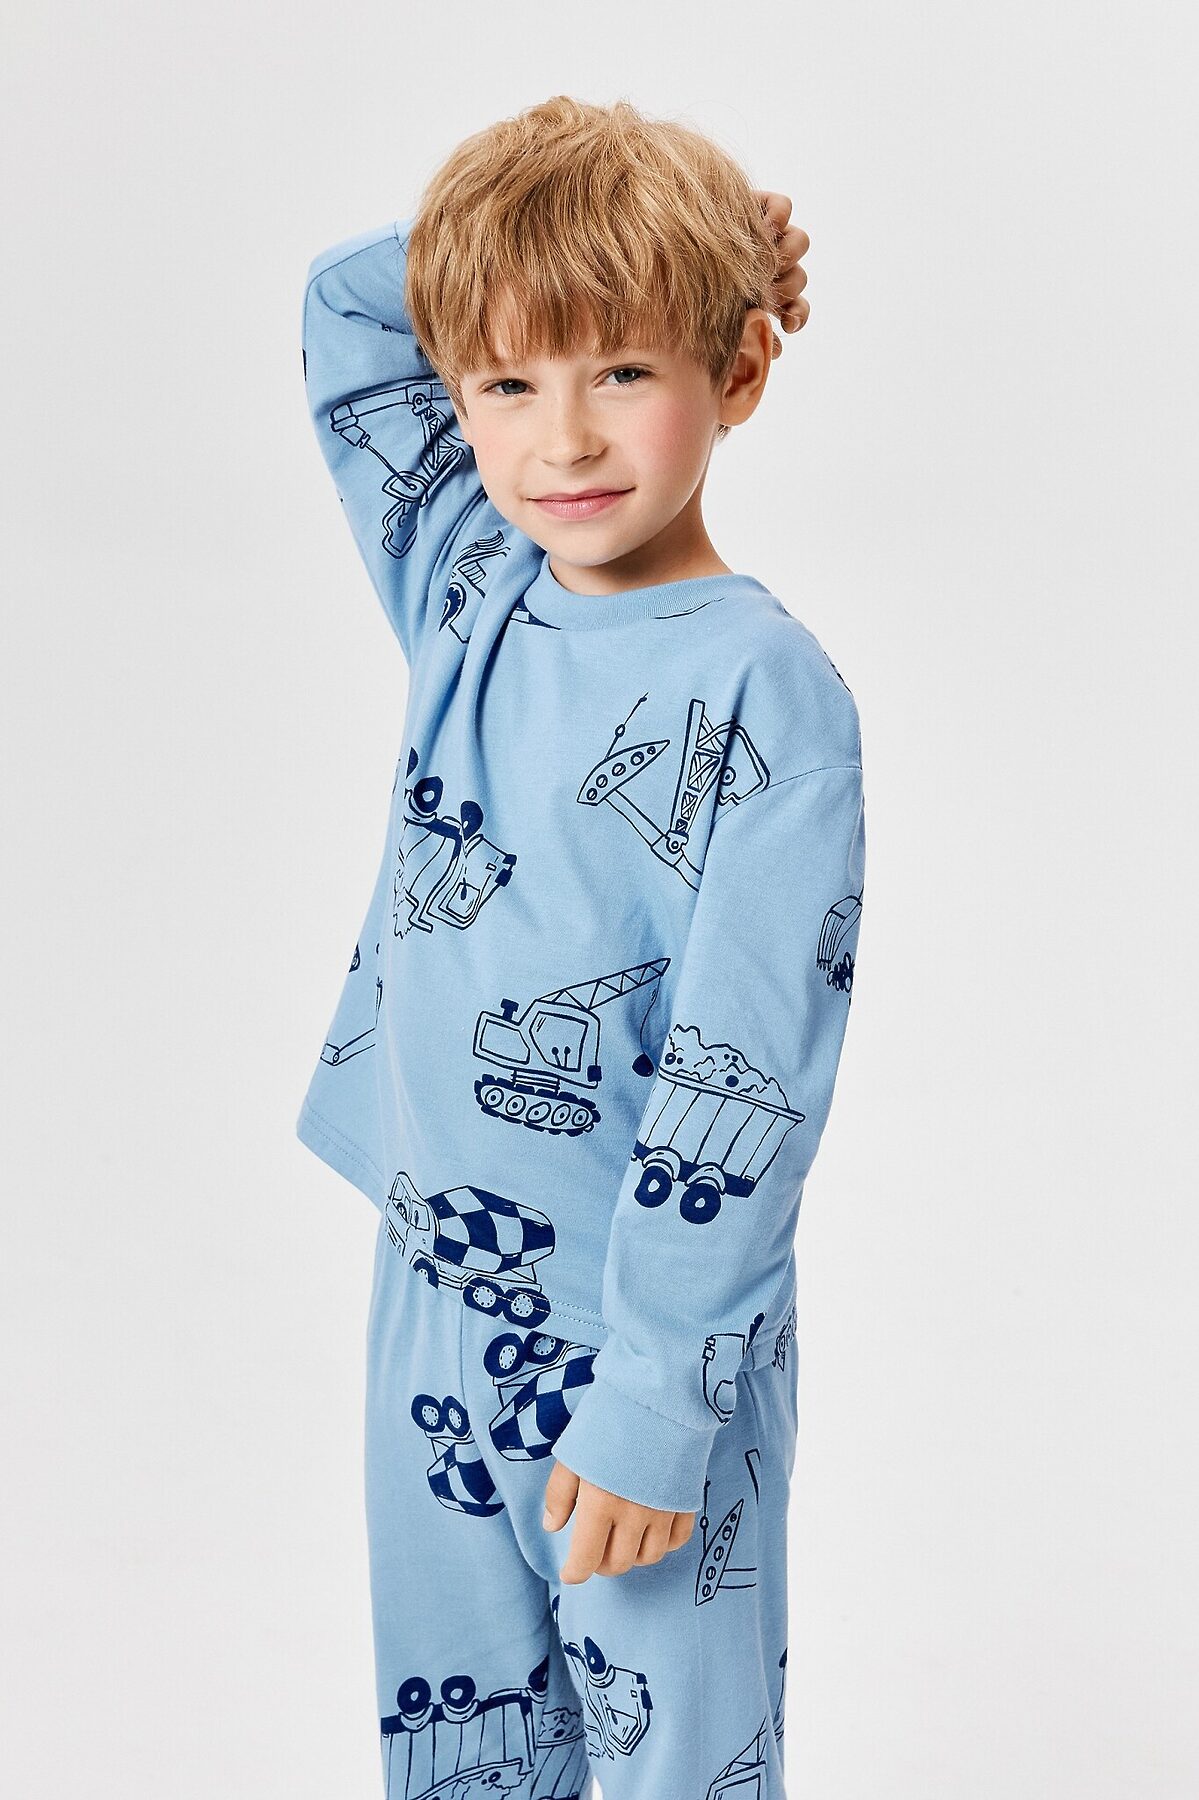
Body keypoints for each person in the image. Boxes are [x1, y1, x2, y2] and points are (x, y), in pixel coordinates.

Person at [294, 93, 865, 1800]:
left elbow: (747, 1079)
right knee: (465, 1760)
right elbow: (343, 309)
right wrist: (556, 241)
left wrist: (658, 1405)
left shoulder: (767, 693)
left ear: (736, 372)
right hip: (436, 1287)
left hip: (641, 1339)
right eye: (505, 382)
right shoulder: (467, 580)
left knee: (674, 1762)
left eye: (622, 368)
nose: (561, 439)